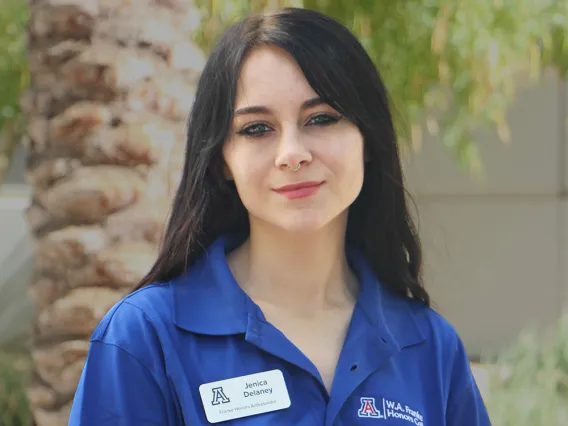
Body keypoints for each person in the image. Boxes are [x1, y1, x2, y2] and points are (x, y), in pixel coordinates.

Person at [68, 7, 491, 426]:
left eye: (321, 118)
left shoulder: (430, 347)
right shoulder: (144, 337)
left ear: (368, 140)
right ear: (221, 161)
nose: (292, 154)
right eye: (256, 129)